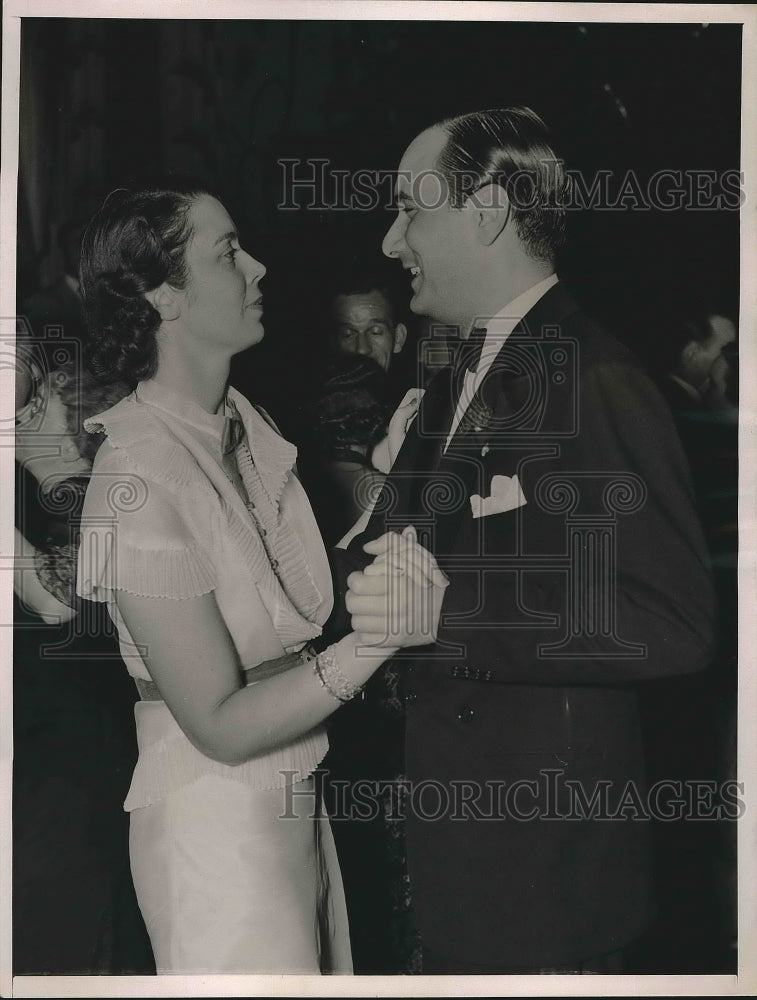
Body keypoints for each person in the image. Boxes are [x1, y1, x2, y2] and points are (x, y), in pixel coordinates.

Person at [336, 107, 717, 974]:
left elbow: (671, 619)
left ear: (487, 211)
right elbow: (392, 568)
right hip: (456, 859)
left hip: (543, 887)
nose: (393, 241)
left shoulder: (595, 377)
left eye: (410, 210)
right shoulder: (452, 376)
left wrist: (444, 610)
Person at [74, 182, 438, 974]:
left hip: (293, 800)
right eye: (228, 251)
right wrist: (377, 643)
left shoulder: (244, 421)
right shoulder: (137, 471)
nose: (259, 266)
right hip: (213, 831)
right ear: (162, 296)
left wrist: (407, 474)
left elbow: (290, 608)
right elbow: (221, 724)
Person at [14, 354, 153, 974]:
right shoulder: (46, 500)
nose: (17, 417)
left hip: (81, 786)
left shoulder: (101, 498)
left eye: (33, 403)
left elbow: (56, 601)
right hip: (56, 781)